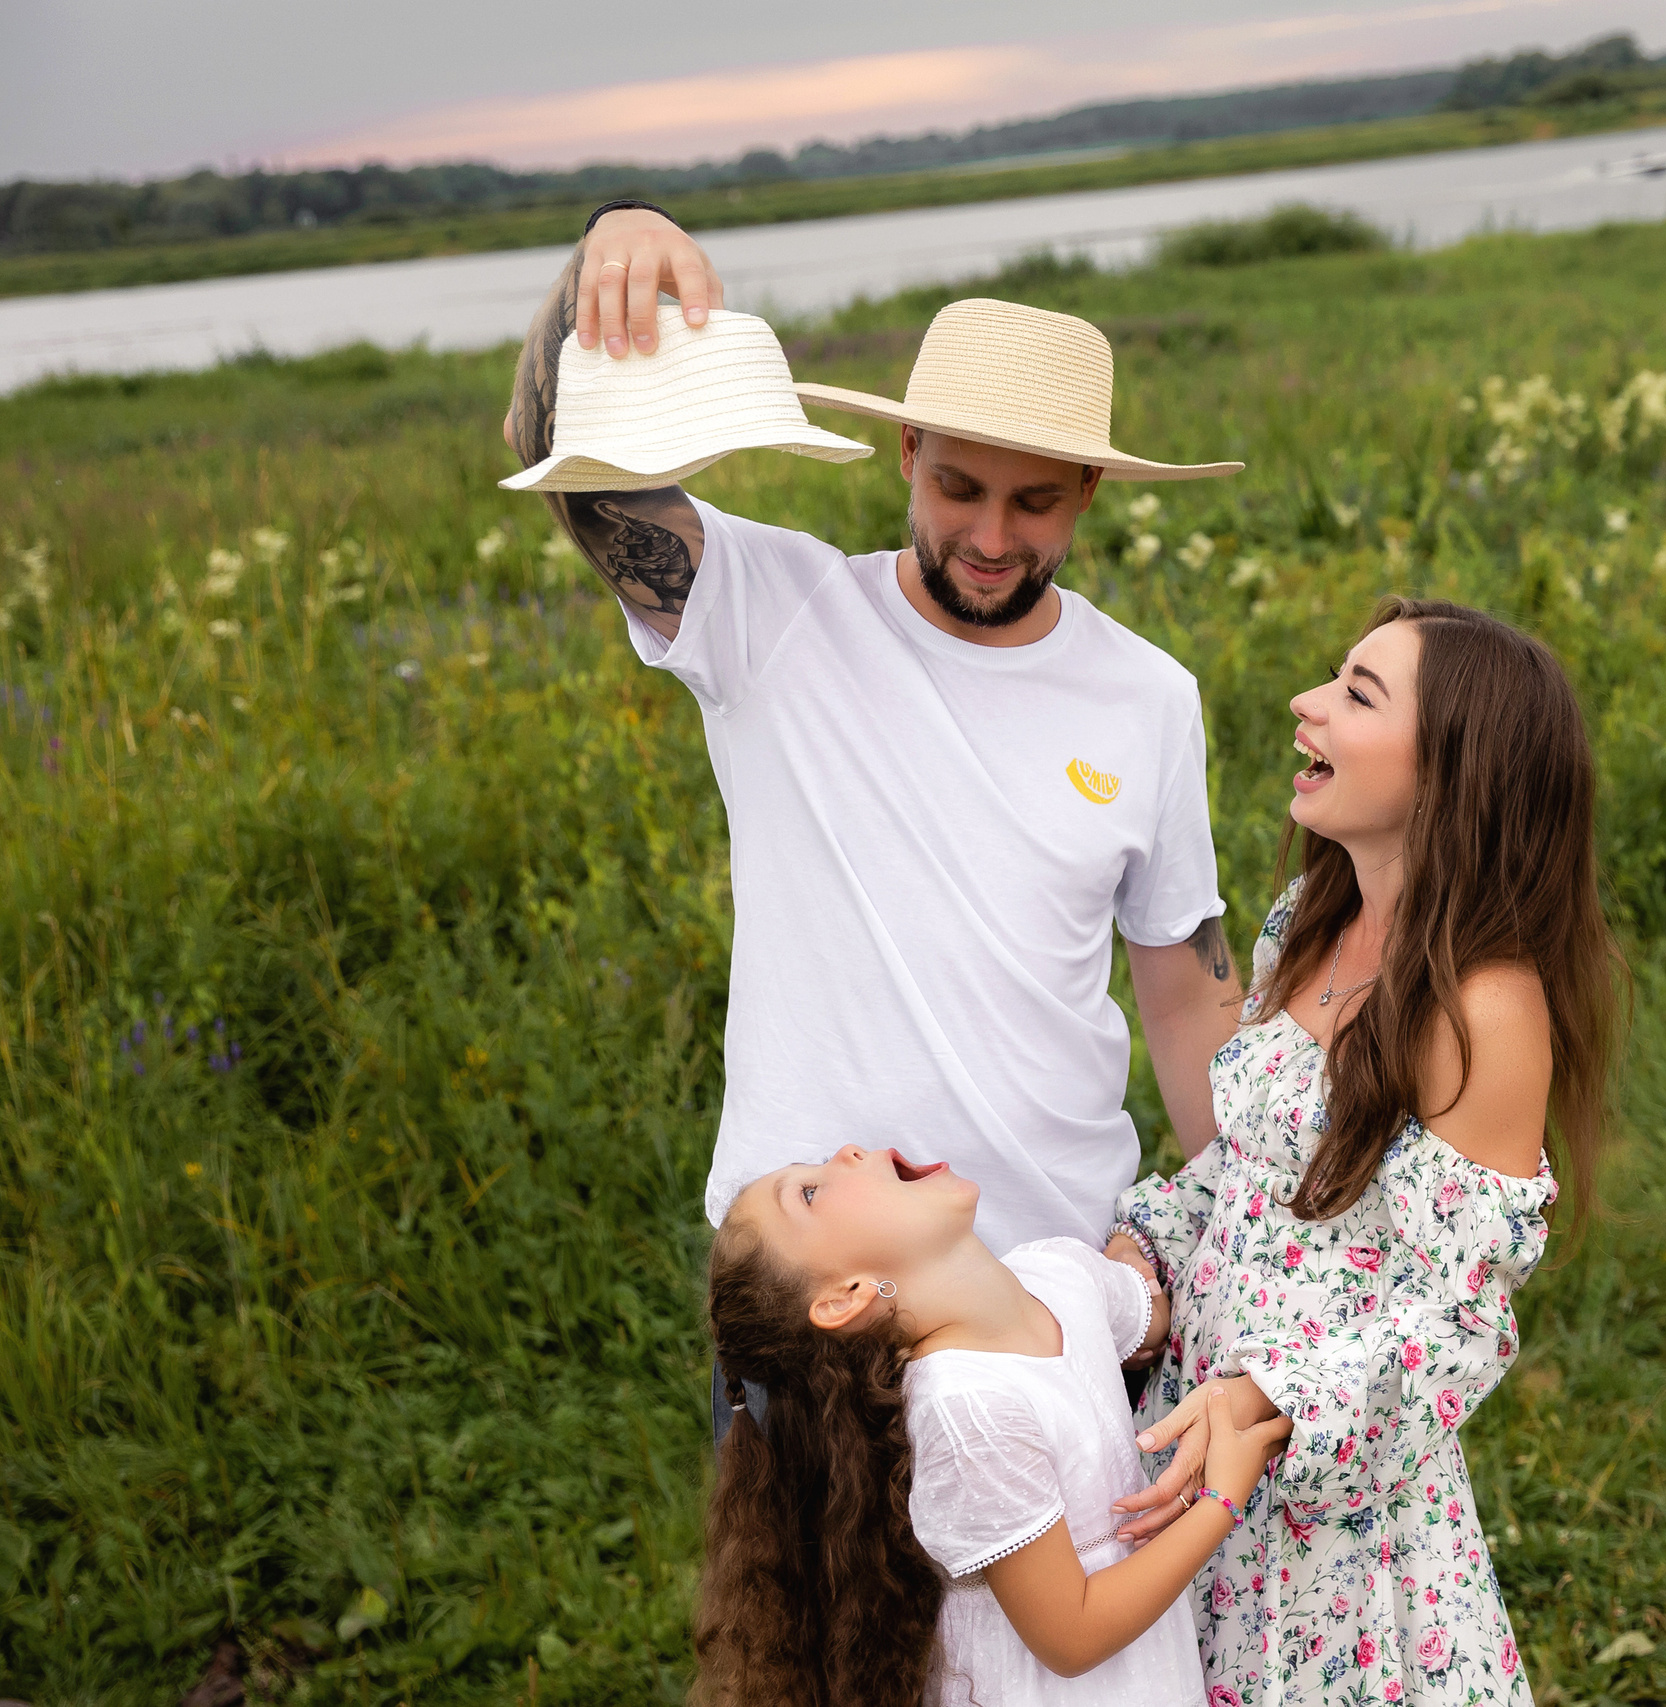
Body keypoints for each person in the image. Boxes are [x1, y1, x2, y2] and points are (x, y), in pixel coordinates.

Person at [502, 207, 1249, 1425]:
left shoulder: (1148, 695)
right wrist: (612, 243)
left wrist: (1263, 1229)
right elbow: (566, 460)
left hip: (1054, 1295)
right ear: (905, 451)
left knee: (1073, 1568)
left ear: (1090, 492)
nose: (992, 539)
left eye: (1036, 502)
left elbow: (1183, 992)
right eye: (958, 487)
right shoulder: (773, 613)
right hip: (810, 1299)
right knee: (800, 1566)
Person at [1109, 598, 1623, 1707]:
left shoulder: (1483, 1008)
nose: (1307, 704)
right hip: (1192, 1446)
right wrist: (1137, 1256)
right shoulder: (1308, 919)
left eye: (1357, 694)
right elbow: (1255, 1176)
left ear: (1452, 770)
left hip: (1327, 1525)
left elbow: (1460, 1320)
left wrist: (1271, 1397)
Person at [697, 1141, 1291, 1706]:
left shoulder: (1057, 1272)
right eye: (808, 1192)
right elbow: (1072, 1635)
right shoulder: (965, 1409)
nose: (847, 1152)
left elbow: (1152, 1317)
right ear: (845, 1296)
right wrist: (1221, 1499)